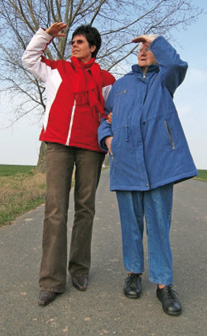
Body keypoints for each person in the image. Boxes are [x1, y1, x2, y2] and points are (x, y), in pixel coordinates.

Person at [98, 34, 198, 316]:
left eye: (148, 49)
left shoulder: (165, 80)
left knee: (158, 225)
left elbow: (178, 65)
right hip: (126, 162)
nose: (143, 52)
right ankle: (133, 273)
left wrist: (155, 39)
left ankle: (164, 285)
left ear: (157, 53)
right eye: (140, 49)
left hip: (159, 164)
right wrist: (108, 139)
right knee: (131, 223)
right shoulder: (120, 86)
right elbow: (103, 117)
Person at [22, 22, 115, 306]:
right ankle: (51, 280)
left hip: (90, 149)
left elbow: (112, 113)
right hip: (58, 145)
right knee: (55, 209)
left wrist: (112, 126)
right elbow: (29, 59)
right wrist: (46, 36)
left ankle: (79, 269)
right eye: (73, 41)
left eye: (80, 42)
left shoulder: (107, 80)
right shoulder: (56, 70)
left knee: (85, 208)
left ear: (93, 47)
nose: (74, 45)